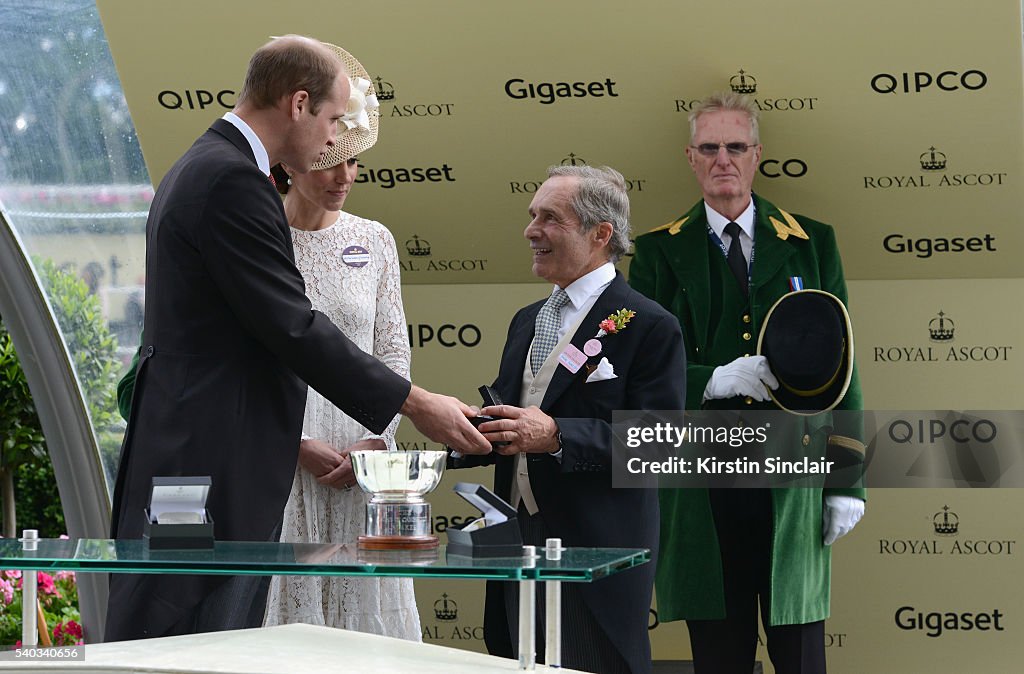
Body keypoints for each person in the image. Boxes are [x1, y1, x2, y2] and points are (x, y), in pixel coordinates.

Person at [106, 35, 489, 643]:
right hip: (207, 469)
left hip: (186, 460)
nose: (335, 143)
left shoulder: (209, 164)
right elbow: (294, 326)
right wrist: (416, 403)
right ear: (299, 103)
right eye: (335, 120)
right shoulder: (233, 180)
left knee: (182, 622)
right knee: (197, 635)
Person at [628, 92, 866, 674]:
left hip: (795, 470)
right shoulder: (657, 251)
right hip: (702, 475)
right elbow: (641, 373)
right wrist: (711, 379)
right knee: (720, 653)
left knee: (802, 650)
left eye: (736, 147)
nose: (723, 160)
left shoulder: (812, 241)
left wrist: (848, 480)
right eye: (709, 148)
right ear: (690, 157)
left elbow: (844, 366)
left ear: (757, 154)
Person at [455, 165, 686, 674]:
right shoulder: (527, 319)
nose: (531, 230)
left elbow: (659, 444)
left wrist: (558, 436)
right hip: (515, 550)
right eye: (532, 215)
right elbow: (513, 420)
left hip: (593, 557)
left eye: (549, 218)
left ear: (600, 234)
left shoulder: (648, 325)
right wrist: (464, 432)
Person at [261, 43, 419, 639]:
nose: (344, 177)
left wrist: (377, 440)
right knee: (289, 618)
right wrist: (293, 443)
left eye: (354, 163)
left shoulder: (376, 239)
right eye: (330, 158)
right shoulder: (262, 235)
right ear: (294, 158)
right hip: (285, 458)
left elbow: (393, 351)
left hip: (365, 463)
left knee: (369, 623)